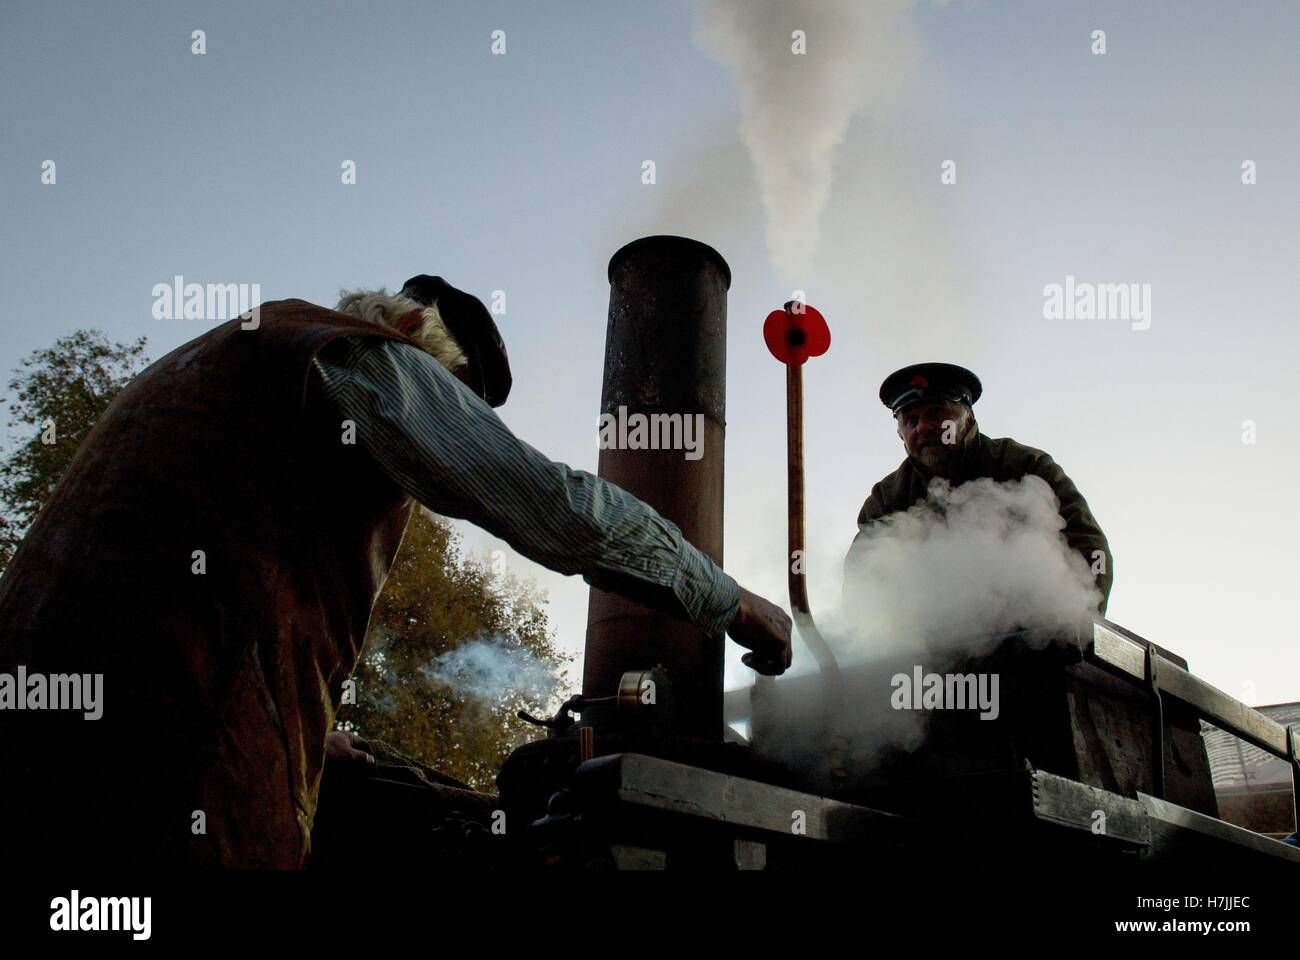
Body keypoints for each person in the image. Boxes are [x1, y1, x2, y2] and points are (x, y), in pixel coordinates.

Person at [0, 275, 791, 868]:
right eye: (459, 402)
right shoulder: (363, 357)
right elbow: (556, 506)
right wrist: (734, 601)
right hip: (158, 765)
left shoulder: (244, 351)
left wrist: (309, 745)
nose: (456, 421)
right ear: (415, 327)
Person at [847, 362, 1112, 611]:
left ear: (969, 418)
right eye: (911, 421)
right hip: (930, 646)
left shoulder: (1025, 466)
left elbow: (1088, 545)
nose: (924, 427)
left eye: (936, 413)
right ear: (901, 435)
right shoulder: (887, 499)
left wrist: (1079, 626)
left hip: (1030, 633)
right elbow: (861, 580)